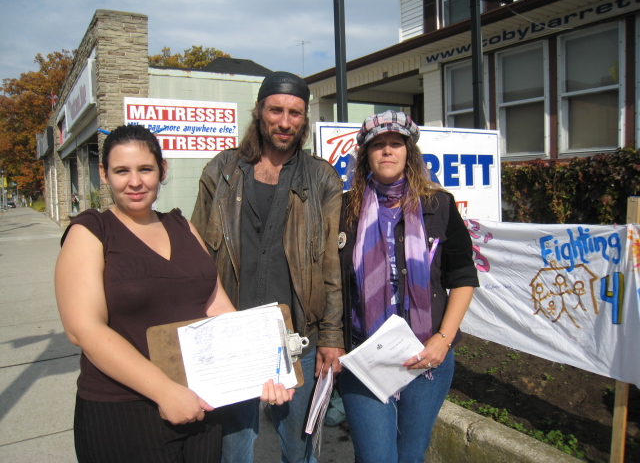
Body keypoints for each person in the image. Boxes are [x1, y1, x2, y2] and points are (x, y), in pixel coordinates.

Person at [54, 124, 291, 463]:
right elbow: (84, 329)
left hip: (200, 404)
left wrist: (265, 368)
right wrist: (164, 391)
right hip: (124, 410)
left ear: (162, 171)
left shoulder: (183, 226)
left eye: (145, 169)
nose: (134, 182)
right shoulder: (91, 231)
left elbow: (216, 306)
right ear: (104, 174)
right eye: (122, 171)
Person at [191, 71, 344, 463]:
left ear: (305, 118)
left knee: (299, 447)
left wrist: (331, 335)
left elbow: (330, 264)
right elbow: (198, 255)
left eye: (295, 112)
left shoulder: (321, 176)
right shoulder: (222, 171)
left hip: (298, 337)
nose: (285, 121)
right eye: (276, 110)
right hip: (233, 331)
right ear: (259, 111)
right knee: (234, 447)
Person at [338, 110, 479, 463]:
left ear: (408, 152)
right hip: (366, 354)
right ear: (366, 155)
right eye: (378, 145)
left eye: (395, 143)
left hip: (426, 355)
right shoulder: (343, 210)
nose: (387, 151)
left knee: (411, 455)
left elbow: (462, 277)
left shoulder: (439, 205)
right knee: (376, 457)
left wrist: (442, 340)